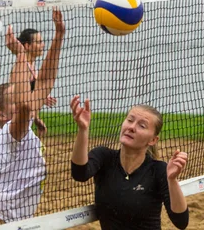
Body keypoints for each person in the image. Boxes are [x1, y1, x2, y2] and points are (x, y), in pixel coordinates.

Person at [0, 10, 65, 229]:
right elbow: (25, 103)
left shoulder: (17, 127)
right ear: (2, 115)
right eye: (12, 99)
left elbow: (45, 80)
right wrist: (21, 54)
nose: (21, 96)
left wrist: (59, 36)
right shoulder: (10, 134)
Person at [70, 95, 189, 230]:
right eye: (130, 120)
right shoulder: (104, 157)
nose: (132, 127)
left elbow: (181, 222)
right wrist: (83, 129)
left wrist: (172, 180)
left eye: (142, 126)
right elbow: (79, 173)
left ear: (153, 140)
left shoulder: (158, 170)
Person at [10, 9, 65, 137]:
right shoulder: (21, 71)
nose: (43, 45)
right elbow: (16, 103)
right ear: (27, 46)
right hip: (15, 128)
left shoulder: (32, 67)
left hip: (25, 124)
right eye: (39, 42)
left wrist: (39, 99)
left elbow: (28, 99)